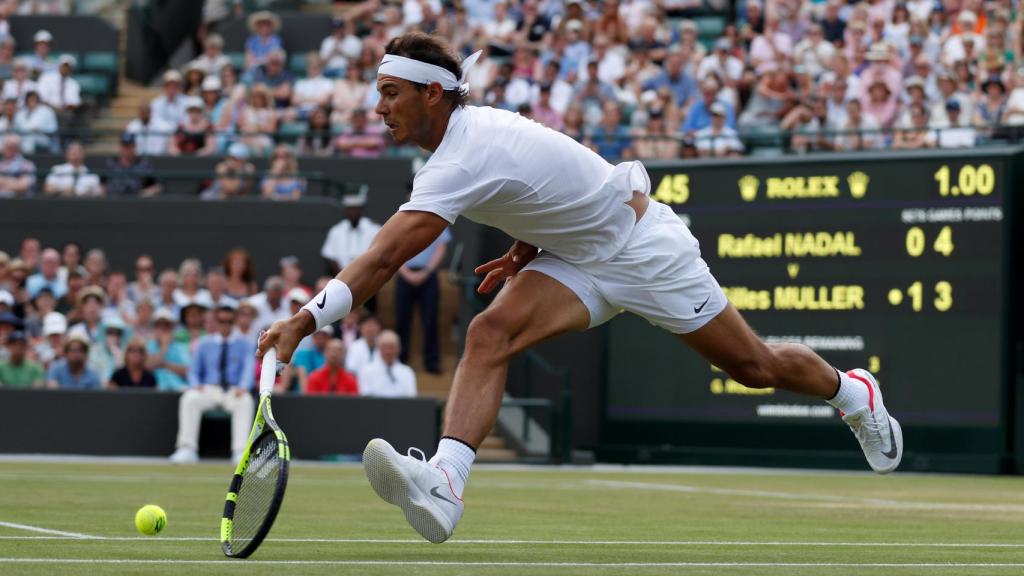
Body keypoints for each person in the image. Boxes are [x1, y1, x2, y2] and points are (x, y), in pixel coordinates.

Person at [259, 32, 903, 545]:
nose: (379, 108)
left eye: (391, 92)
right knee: (489, 333)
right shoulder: (464, 145)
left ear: (433, 95)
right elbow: (551, 184)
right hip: (575, 254)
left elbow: (379, 261)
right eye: (379, 93)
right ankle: (446, 486)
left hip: (643, 248)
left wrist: (302, 321)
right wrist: (526, 243)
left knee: (753, 367)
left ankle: (853, 392)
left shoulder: (462, 154)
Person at [169, 299, 255, 464]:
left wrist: (243, 387)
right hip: (208, 389)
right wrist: (195, 385)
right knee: (189, 398)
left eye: (229, 321)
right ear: (216, 322)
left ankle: (240, 452)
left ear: (234, 322)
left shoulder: (245, 344)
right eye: (222, 321)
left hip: (233, 390)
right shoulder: (204, 343)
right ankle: (187, 449)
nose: (225, 325)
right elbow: (193, 370)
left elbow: (247, 370)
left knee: (245, 401)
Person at [396, 213, 450, 374]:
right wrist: (405, 273)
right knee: (402, 319)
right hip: (405, 275)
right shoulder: (399, 219)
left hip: (428, 276)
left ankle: (432, 362)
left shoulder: (437, 217)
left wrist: (426, 272)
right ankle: (400, 360)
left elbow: (441, 248)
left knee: (430, 319)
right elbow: (393, 248)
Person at [320, 195, 382, 276]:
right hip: (341, 274)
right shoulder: (336, 230)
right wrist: (342, 276)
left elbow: (379, 254)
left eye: (356, 209)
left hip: (368, 275)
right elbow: (330, 256)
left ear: (361, 210)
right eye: (350, 209)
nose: (353, 212)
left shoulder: (374, 229)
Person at [357, 330, 416, 398]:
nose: (388, 351)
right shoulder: (366, 371)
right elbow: (366, 398)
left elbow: (411, 399)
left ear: (398, 349)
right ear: (378, 348)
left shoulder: (407, 372)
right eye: (385, 347)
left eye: (392, 347)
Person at [146, 307, 191, 391]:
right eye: (158, 325)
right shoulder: (149, 345)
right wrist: (164, 347)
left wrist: (164, 364)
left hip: (179, 389)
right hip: (154, 391)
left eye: (166, 325)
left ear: (172, 328)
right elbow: (147, 366)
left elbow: (188, 371)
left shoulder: (181, 346)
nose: (162, 328)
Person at [287, 325, 333, 392]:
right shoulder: (302, 354)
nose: (320, 337)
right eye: (317, 335)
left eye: (324, 335)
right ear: (313, 337)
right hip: (302, 396)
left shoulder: (332, 357)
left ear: (329, 338)